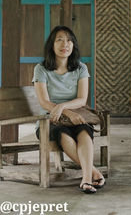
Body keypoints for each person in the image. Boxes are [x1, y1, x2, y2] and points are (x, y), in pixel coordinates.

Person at [33, 25, 105, 193]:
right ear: (52, 44)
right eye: (60, 40)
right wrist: (62, 111)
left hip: (76, 114)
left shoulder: (81, 68)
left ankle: (86, 179)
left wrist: (63, 106)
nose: (65, 44)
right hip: (49, 119)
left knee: (84, 132)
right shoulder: (41, 69)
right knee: (63, 134)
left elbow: (82, 99)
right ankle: (94, 173)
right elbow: (44, 102)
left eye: (69, 40)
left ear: (73, 46)